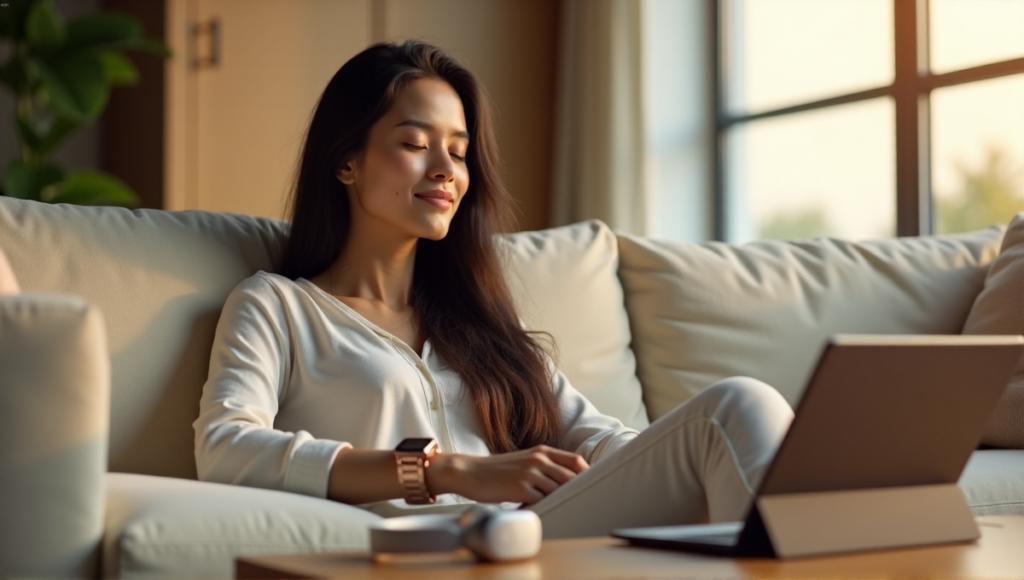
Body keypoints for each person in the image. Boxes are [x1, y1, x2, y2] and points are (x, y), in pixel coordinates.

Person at [194, 41, 794, 538]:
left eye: (458, 152)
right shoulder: (277, 305)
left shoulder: (475, 320)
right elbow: (226, 447)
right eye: (413, 144)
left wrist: (658, 459)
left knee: (738, 414)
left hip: (534, 538)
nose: (446, 171)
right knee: (737, 406)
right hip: (435, 551)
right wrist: (444, 472)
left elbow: (595, 437)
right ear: (346, 162)